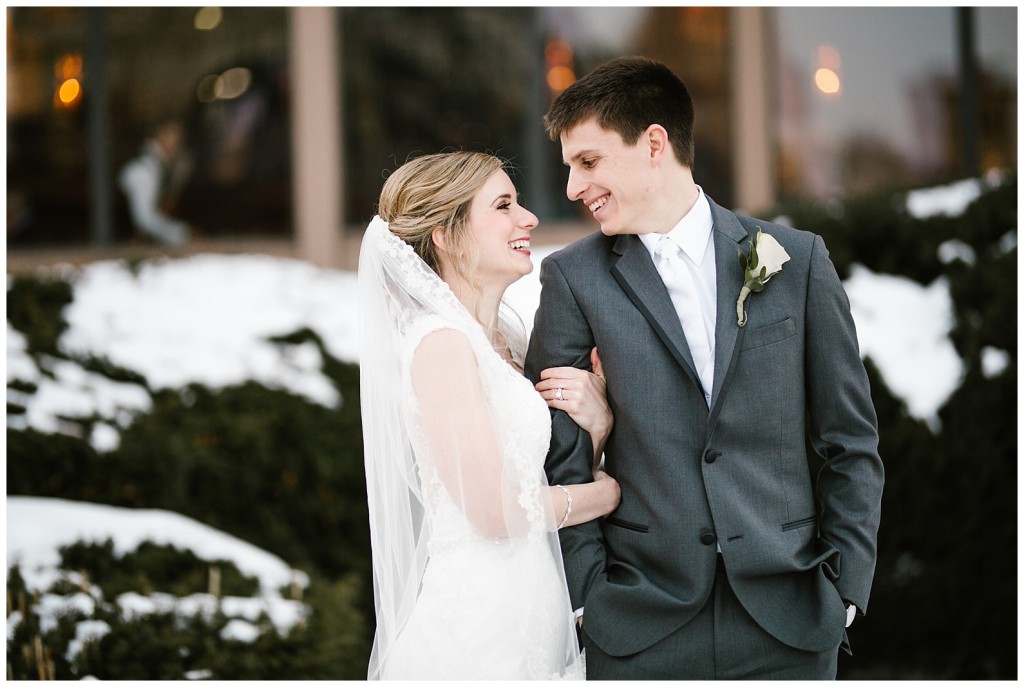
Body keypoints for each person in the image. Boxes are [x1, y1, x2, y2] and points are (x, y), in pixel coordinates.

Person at [524, 56, 884, 680]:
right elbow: (558, 458)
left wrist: (844, 589)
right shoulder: (571, 278)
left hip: (791, 620)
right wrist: (588, 599)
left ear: (655, 144)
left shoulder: (794, 261)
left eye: (588, 162)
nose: (572, 189)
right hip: (640, 624)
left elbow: (849, 439)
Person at [358, 151, 621, 679]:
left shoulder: (506, 343)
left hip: (532, 606)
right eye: (503, 206)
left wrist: (598, 426)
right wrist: (608, 494)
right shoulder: (441, 346)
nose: (528, 218)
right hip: (479, 625)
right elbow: (493, 511)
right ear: (447, 235)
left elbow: (530, 477)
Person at [119, 119, 193, 246]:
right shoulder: (142, 171)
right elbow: (144, 219)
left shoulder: (171, 168)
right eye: (172, 137)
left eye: (179, 139)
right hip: (118, 250)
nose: (177, 144)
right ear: (158, 137)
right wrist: (183, 234)